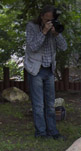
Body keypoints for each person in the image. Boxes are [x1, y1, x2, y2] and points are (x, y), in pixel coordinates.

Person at [25, 5, 67, 140]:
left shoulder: (54, 27)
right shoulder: (32, 26)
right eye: (47, 19)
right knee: (38, 105)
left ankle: (53, 132)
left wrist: (56, 34)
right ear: (42, 16)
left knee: (50, 105)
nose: (49, 22)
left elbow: (64, 47)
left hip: (49, 70)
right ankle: (41, 133)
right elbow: (32, 47)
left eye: (51, 19)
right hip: (36, 70)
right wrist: (43, 31)